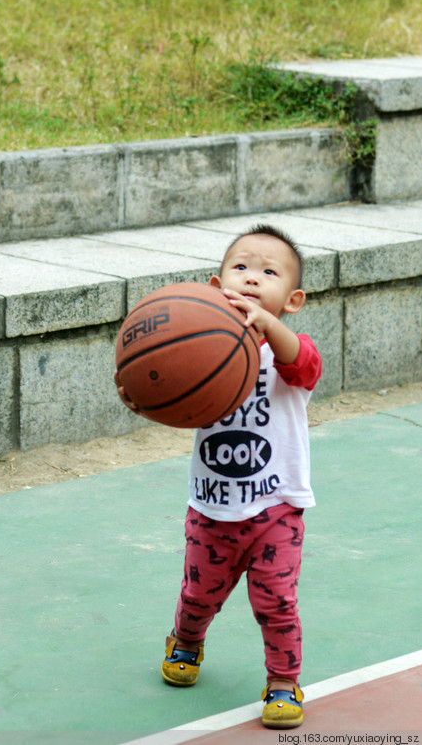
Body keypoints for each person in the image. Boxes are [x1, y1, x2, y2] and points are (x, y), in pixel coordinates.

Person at [115, 224, 322, 729]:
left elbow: (304, 363)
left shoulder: (290, 354)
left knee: (278, 602)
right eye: (241, 267)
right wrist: (142, 394)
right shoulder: (196, 346)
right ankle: (186, 641)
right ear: (215, 285)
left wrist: (266, 327)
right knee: (197, 595)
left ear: (292, 299)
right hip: (211, 510)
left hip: (277, 509)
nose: (252, 279)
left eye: (268, 272)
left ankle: (283, 682)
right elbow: (173, 397)